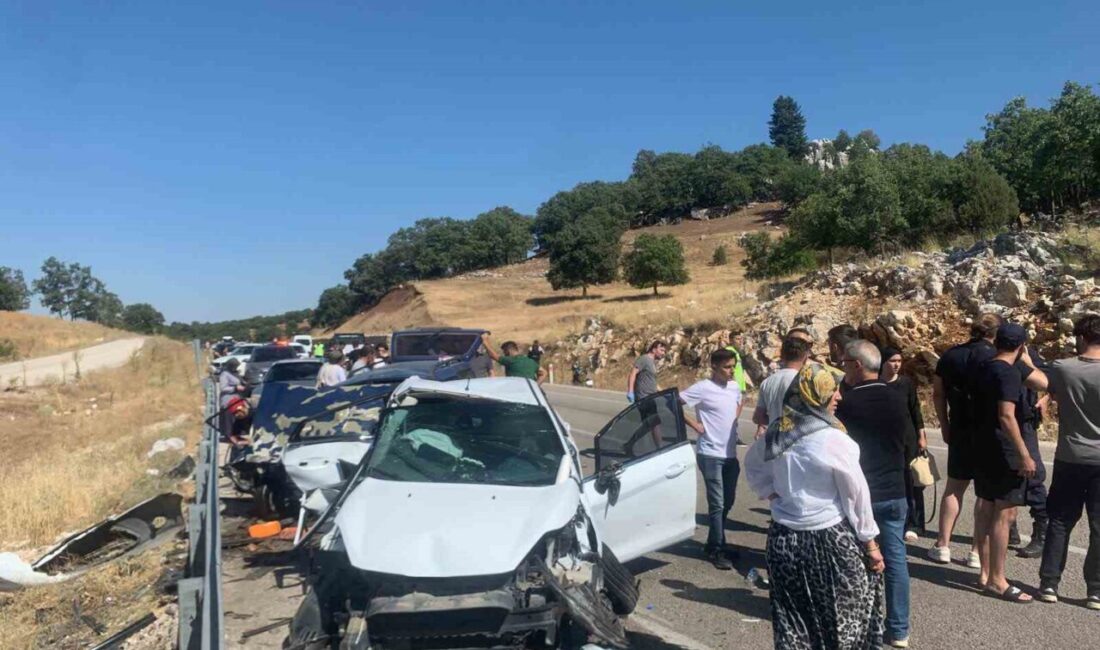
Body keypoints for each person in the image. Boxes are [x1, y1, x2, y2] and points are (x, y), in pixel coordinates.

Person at [745, 363, 885, 649]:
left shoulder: (778, 432)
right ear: (816, 395)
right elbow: (856, 495)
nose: (839, 397)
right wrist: (870, 545)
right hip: (830, 542)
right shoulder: (834, 440)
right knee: (842, 620)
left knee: (794, 624)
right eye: (833, 391)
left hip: (783, 541)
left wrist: (774, 496)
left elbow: (753, 465)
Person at [836, 340, 912, 647]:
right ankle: (899, 628)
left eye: (844, 363)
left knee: (855, 561)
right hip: (894, 490)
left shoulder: (847, 404)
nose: (843, 369)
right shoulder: (898, 398)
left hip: (860, 494)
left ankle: (861, 622)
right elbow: (907, 444)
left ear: (857, 365)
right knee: (896, 560)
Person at [970, 322, 1046, 603]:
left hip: (982, 446)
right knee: (1005, 513)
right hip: (1004, 450)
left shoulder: (983, 367)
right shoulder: (1010, 372)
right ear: (1022, 346)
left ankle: (985, 573)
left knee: (986, 508)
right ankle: (998, 579)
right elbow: (1006, 415)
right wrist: (1024, 453)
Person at [927, 312, 1002, 568]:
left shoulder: (950, 355)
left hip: (959, 426)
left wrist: (944, 425)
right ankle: (976, 552)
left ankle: (942, 545)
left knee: (954, 488)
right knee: (985, 494)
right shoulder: (996, 357)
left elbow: (938, 394)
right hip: (988, 430)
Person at [1038, 314, 1100, 609]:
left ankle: (1049, 584)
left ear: (1081, 337)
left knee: (1060, 521)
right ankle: (1096, 591)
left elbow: (1033, 375)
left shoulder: (1062, 368)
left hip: (1070, 457)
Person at [681, 349, 743, 570]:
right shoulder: (702, 388)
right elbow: (673, 403)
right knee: (717, 504)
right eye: (727, 367)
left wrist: (733, 419)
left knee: (728, 501)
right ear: (714, 367)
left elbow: (739, 401)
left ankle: (714, 542)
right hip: (710, 455)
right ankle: (717, 550)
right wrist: (696, 425)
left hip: (730, 455)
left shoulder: (734, 387)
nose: (731, 371)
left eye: (733, 366)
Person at [880, 346, 929, 542]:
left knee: (912, 481)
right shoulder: (876, 384)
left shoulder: (906, 383)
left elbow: (915, 411)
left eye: (899, 361)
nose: (896, 365)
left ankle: (914, 523)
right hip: (884, 441)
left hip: (908, 440)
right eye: (892, 361)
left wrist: (922, 437)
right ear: (883, 362)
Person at [752, 336, 811, 439]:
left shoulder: (767, 382)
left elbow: (758, 417)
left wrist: (774, 420)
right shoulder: (805, 381)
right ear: (805, 357)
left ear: (782, 355)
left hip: (775, 440)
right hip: (798, 439)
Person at [218, 358, 249, 438]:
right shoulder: (224, 374)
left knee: (240, 415)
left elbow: (240, 381)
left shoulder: (235, 373)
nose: (236, 367)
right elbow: (223, 388)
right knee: (229, 418)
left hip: (237, 398)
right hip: (228, 399)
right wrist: (235, 388)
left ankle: (239, 433)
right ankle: (229, 435)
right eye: (235, 366)